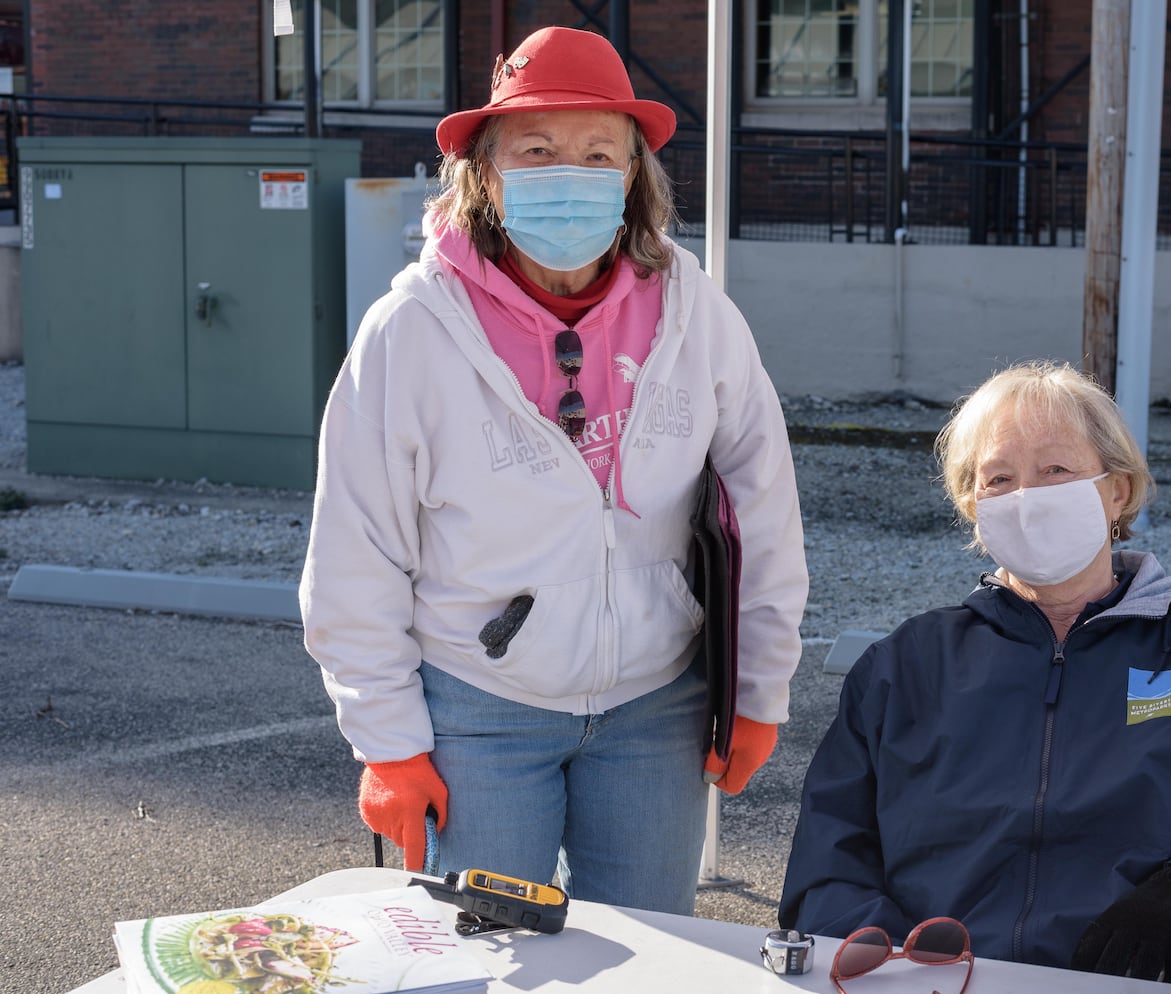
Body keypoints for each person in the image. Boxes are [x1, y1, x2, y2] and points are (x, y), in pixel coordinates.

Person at [299, 25, 808, 916]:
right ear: (487, 175)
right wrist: (387, 744)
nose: (568, 172)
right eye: (536, 149)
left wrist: (762, 689)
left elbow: (762, 508)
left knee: (653, 961)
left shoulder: (697, 316)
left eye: (597, 153)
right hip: (480, 707)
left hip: (658, 704)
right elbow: (357, 548)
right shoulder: (411, 332)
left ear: (632, 176)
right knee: (490, 965)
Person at [778, 360, 1171, 994]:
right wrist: (901, 972)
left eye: (1056, 470)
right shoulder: (903, 668)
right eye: (1000, 478)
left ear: (1119, 490)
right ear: (974, 507)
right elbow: (828, 868)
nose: (1028, 496)